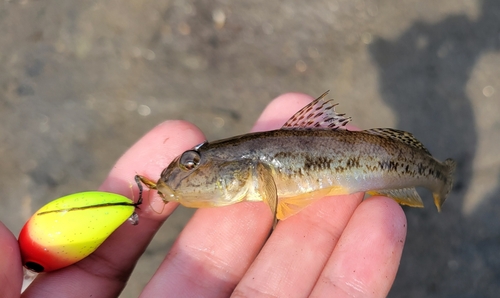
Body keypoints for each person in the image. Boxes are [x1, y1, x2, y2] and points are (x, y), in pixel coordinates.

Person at [0, 93, 406, 297]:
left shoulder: (252, 167)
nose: (186, 169)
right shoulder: (237, 170)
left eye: (194, 162)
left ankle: (426, 176)